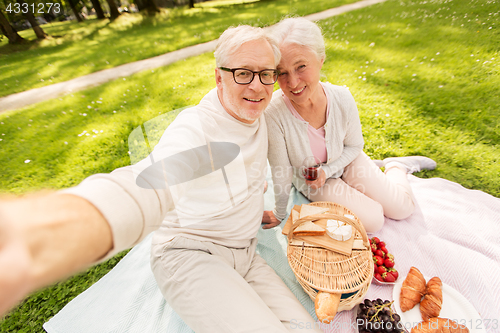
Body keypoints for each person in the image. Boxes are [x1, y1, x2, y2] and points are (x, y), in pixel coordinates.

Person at [0, 26, 323, 332]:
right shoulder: (199, 129)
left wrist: (253, 207)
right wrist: (54, 229)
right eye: (243, 73)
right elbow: (152, 183)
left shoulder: (259, 113)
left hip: (245, 253)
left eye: (266, 74)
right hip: (190, 255)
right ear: (218, 77)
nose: (257, 86)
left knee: (304, 327)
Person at [261, 17, 436, 233]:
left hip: (347, 160)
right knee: (373, 221)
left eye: (301, 66)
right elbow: (280, 170)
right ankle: (374, 175)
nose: (293, 82)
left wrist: (330, 169)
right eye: (282, 72)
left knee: (402, 209)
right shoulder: (273, 114)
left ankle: (396, 166)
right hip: (314, 180)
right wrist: (280, 212)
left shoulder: (342, 97)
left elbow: (354, 146)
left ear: (321, 60)